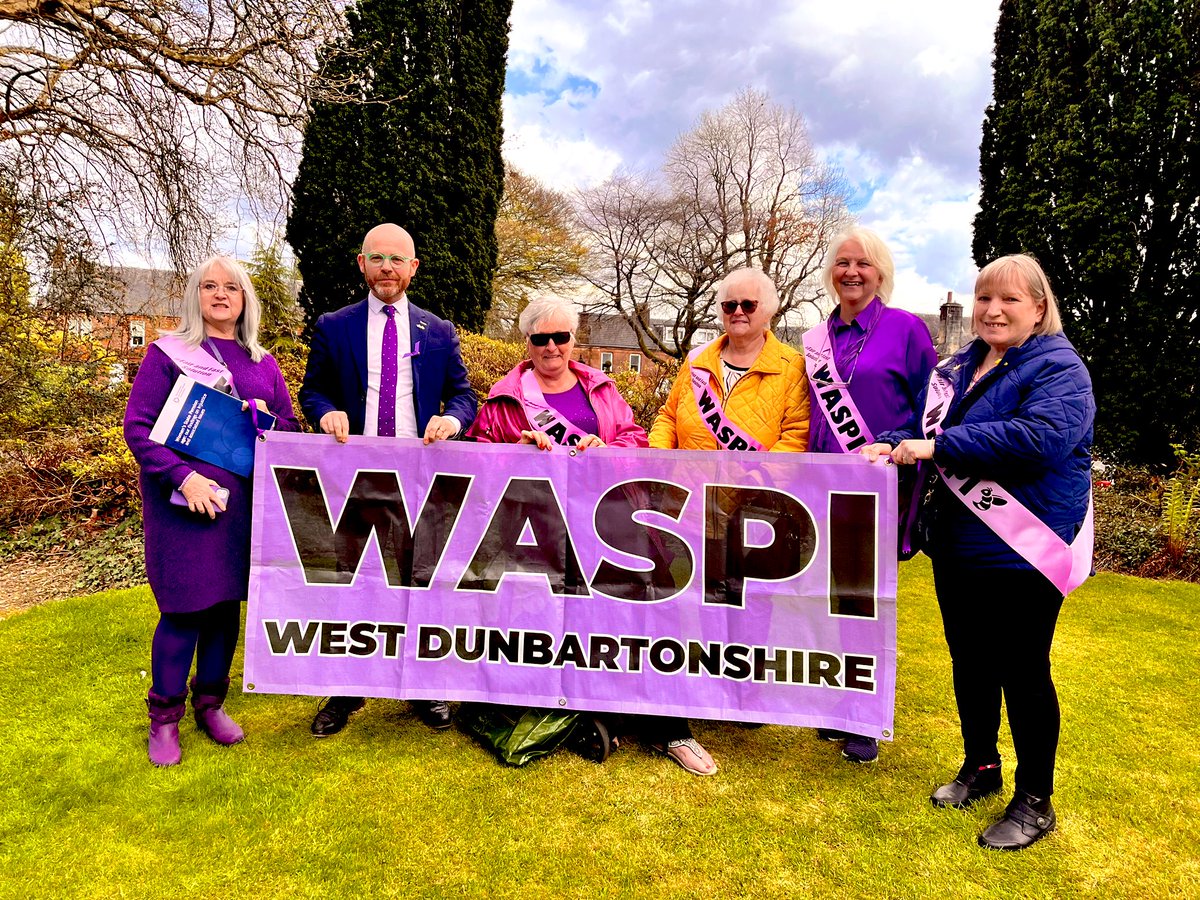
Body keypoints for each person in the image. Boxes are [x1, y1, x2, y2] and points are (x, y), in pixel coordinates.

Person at [862, 254, 1094, 851]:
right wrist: (888, 446)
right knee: (970, 662)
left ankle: (1035, 800)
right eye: (984, 298)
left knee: (1023, 670)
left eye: (1009, 300)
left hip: (1023, 547)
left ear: (1039, 308)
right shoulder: (959, 368)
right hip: (960, 542)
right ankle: (981, 767)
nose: (992, 310)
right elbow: (923, 428)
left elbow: (1037, 438)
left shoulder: (1059, 367)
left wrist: (933, 445)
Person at [298, 222, 477, 737]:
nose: (387, 268)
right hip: (354, 475)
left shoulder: (438, 330)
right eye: (377, 258)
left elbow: (463, 395)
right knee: (355, 582)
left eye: (397, 259)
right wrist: (326, 412)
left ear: (413, 268)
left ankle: (422, 686)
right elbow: (314, 391)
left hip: (419, 478)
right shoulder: (335, 325)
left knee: (417, 582)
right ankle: (347, 689)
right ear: (362, 264)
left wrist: (454, 420)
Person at [124, 255, 300, 767]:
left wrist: (270, 421)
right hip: (182, 507)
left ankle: (210, 705)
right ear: (195, 297)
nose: (220, 295)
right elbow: (139, 428)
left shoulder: (263, 363)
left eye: (231, 288)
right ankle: (164, 720)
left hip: (241, 510)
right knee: (183, 609)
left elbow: (288, 428)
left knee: (225, 609)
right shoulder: (167, 355)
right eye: (209, 286)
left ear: (246, 300)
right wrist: (183, 476)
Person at [648, 266, 810, 775]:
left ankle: (741, 687)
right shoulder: (697, 362)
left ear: (771, 311)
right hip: (691, 503)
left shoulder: (793, 367)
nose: (738, 313)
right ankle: (694, 686)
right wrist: (660, 460)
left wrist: (751, 474)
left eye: (749, 305)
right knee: (694, 600)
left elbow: (796, 435)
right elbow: (670, 416)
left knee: (746, 600)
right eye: (729, 305)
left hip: (754, 506)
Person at [804, 226, 938, 764]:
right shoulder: (816, 339)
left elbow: (934, 406)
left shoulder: (906, 330)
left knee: (865, 599)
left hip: (880, 485)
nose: (851, 272)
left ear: (880, 272)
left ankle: (862, 717)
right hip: (821, 485)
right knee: (831, 599)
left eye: (862, 263)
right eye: (842, 263)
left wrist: (887, 443)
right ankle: (840, 704)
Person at [466, 294, 647, 450]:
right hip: (530, 491)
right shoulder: (503, 399)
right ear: (527, 341)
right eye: (540, 339)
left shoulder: (602, 389)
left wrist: (607, 453)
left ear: (573, 338)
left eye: (561, 337)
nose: (551, 347)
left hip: (597, 489)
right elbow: (477, 458)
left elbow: (635, 439)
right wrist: (518, 453)